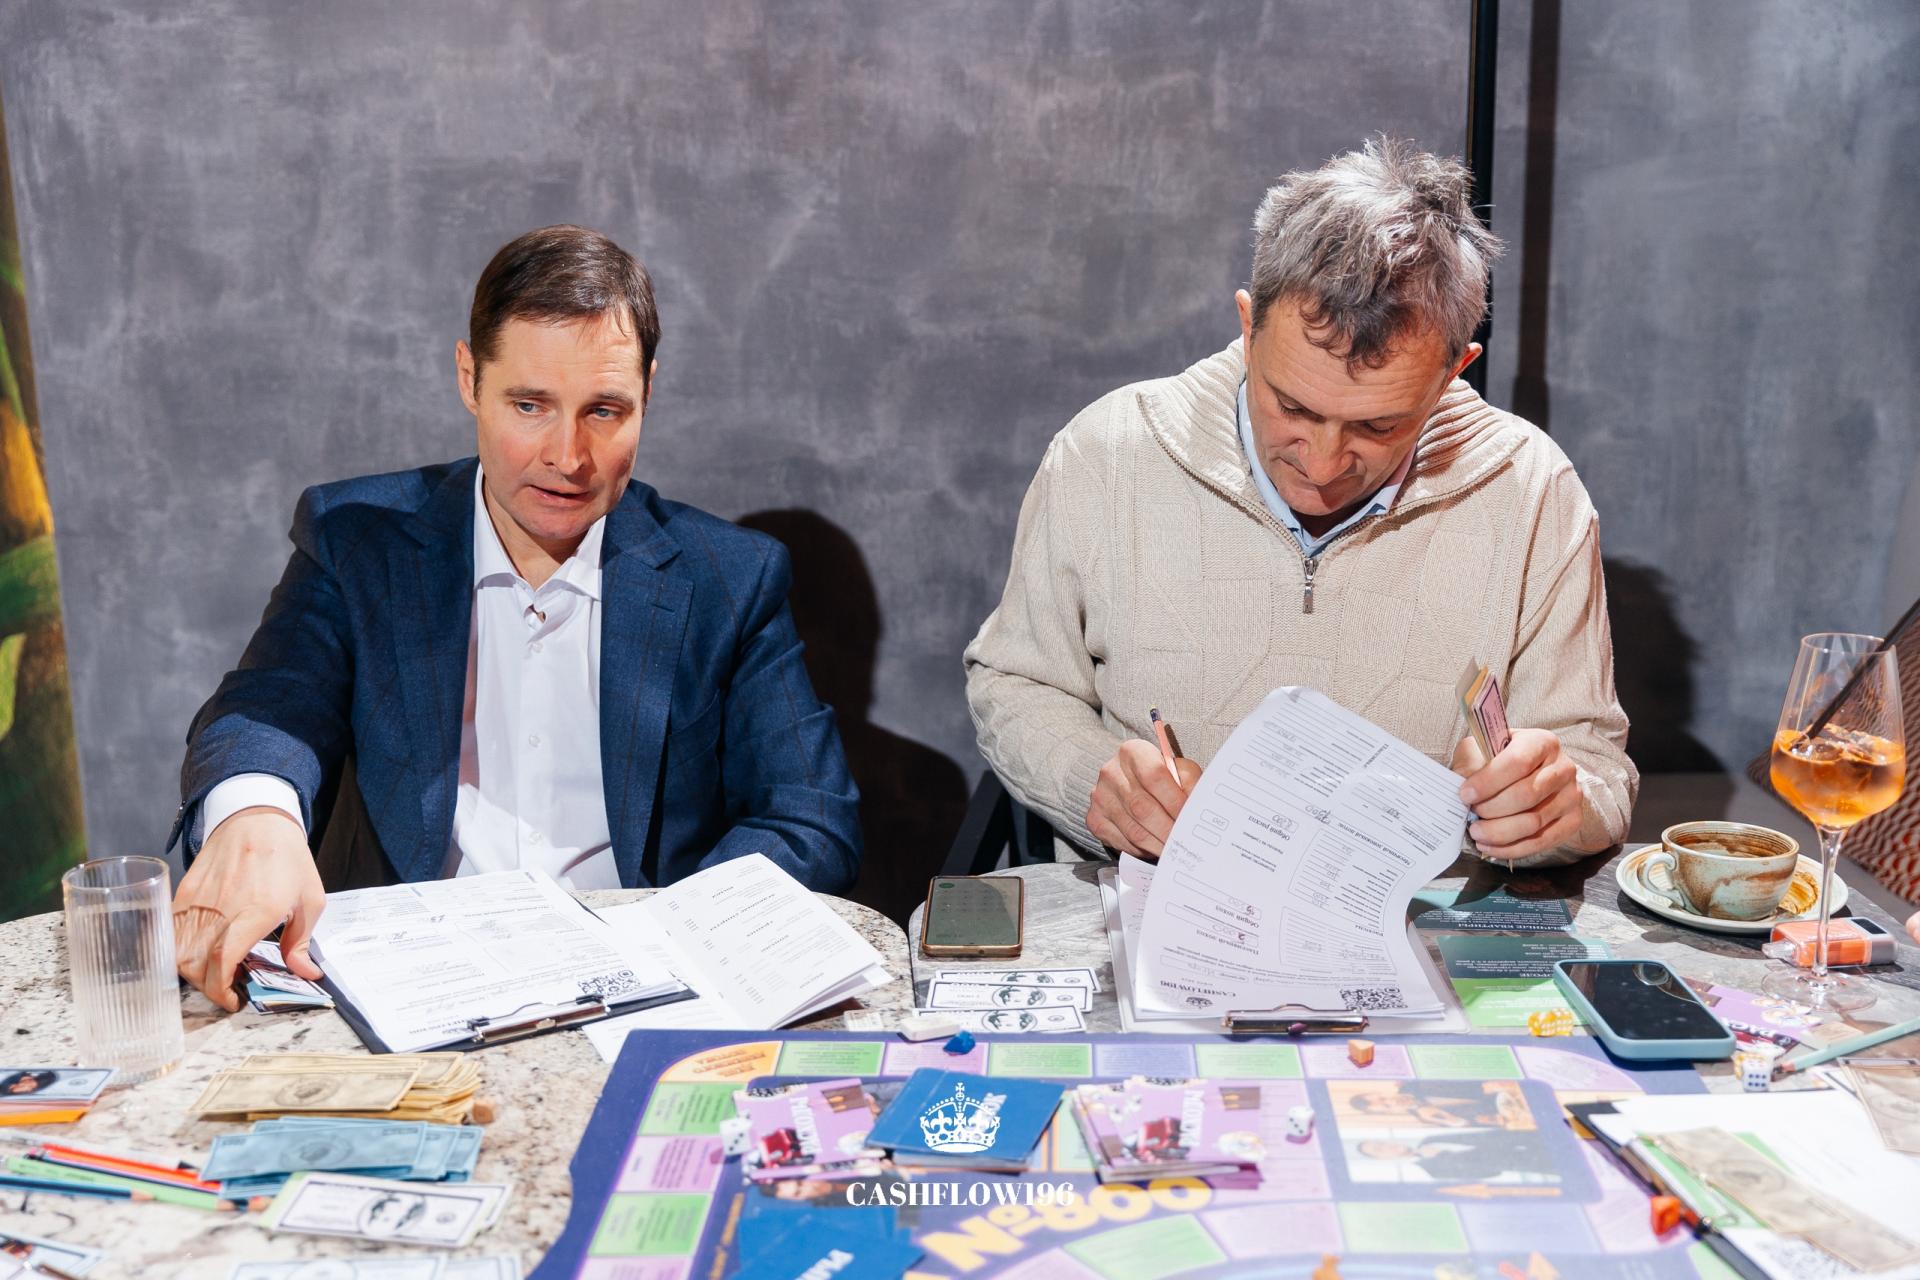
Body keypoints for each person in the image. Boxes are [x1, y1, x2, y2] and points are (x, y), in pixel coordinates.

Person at [169, 225, 862, 1010]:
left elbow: (811, 818)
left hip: (641, 987)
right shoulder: (356, 542)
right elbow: (269, 705)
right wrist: (255, 812)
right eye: (530, 405)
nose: (567, 456)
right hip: (417, 991)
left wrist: (669, 940)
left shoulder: (730, 578)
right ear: (469, 378)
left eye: (604, 410)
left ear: (648, 391)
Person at [964, 137, 1636, 867]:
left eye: (1378, 426)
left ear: (1454, 372)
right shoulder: (1108, 454)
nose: (1321, 464)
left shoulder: (1531, 491)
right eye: (1291, 407)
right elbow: (1016, 682)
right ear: (1248, 327)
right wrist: (1090, 778)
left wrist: (1559, 808)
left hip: (1424, 916)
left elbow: (1595, 765)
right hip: (1152, 899)